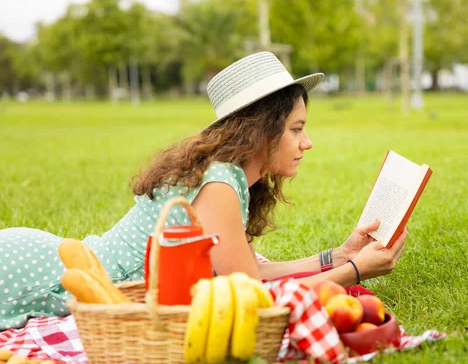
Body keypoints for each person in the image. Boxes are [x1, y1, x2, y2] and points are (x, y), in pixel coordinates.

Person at [0, 52, 407, 331]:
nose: (306, 142)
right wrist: (355, 272)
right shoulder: (219, 184)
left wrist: (336, 256)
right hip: (37, 279)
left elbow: (255, 273)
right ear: (263, 129)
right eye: (296, 129)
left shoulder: (229, 177)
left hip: (60, 260)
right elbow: (254, 299)